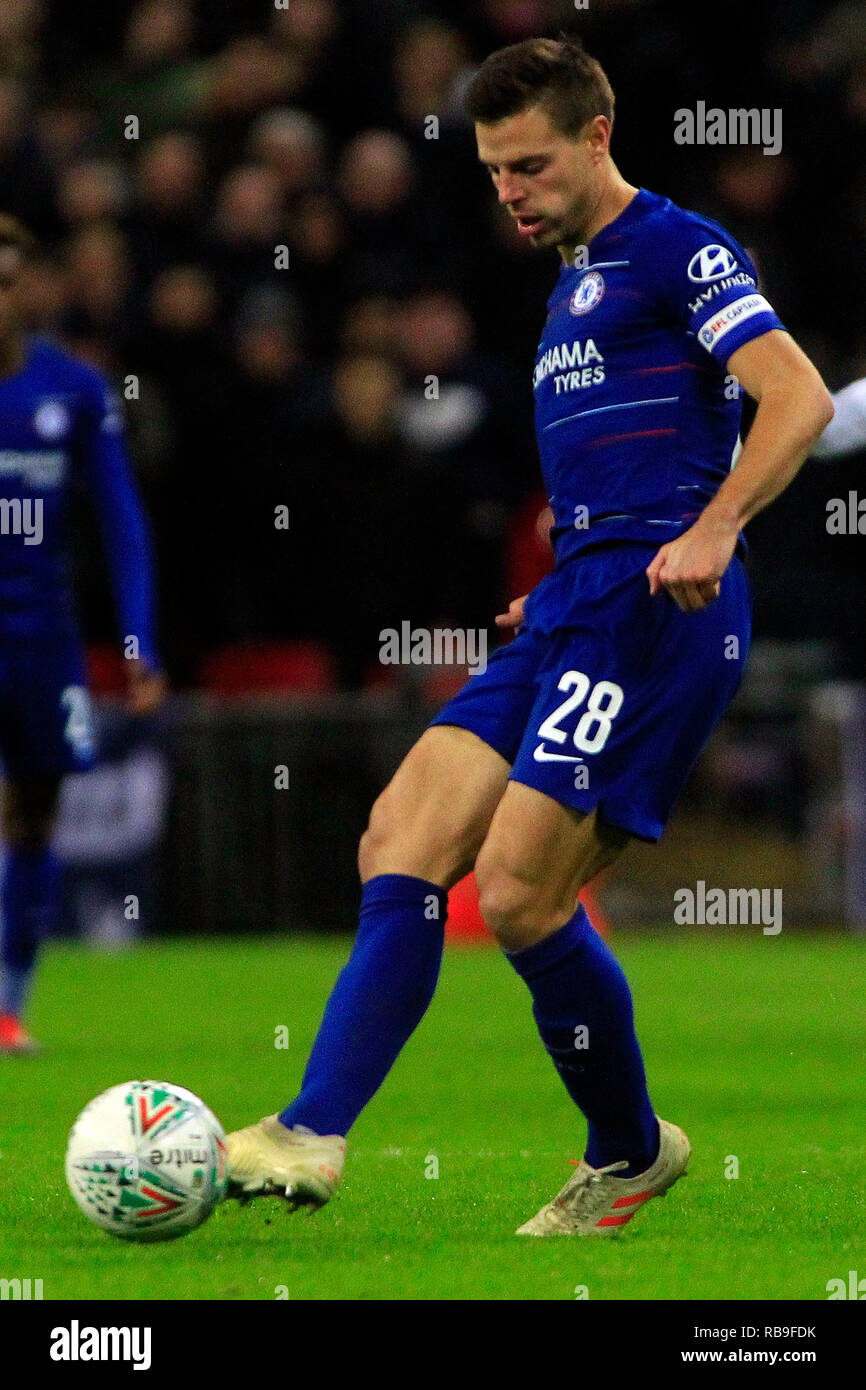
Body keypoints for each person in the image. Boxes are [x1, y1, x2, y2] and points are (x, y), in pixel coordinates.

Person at [226, 38, 833, 1235]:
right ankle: (311, 1129)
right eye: (494, 168)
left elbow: (796, 396)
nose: (508, 190)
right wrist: (558, 577)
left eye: (531, 165)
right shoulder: (568, 281)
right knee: (398, 834)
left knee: (513, 893)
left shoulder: (676, 245)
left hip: (660, 610)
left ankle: (625, 1150)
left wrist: (711, 529)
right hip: (574, 601)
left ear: (597, 136)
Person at [0, 215, 164, 1055]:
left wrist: (140, 640)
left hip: (41, 642)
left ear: (23, 286)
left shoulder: (72, 389)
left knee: (33, 817)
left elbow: (122, 522)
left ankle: (9, 1005)